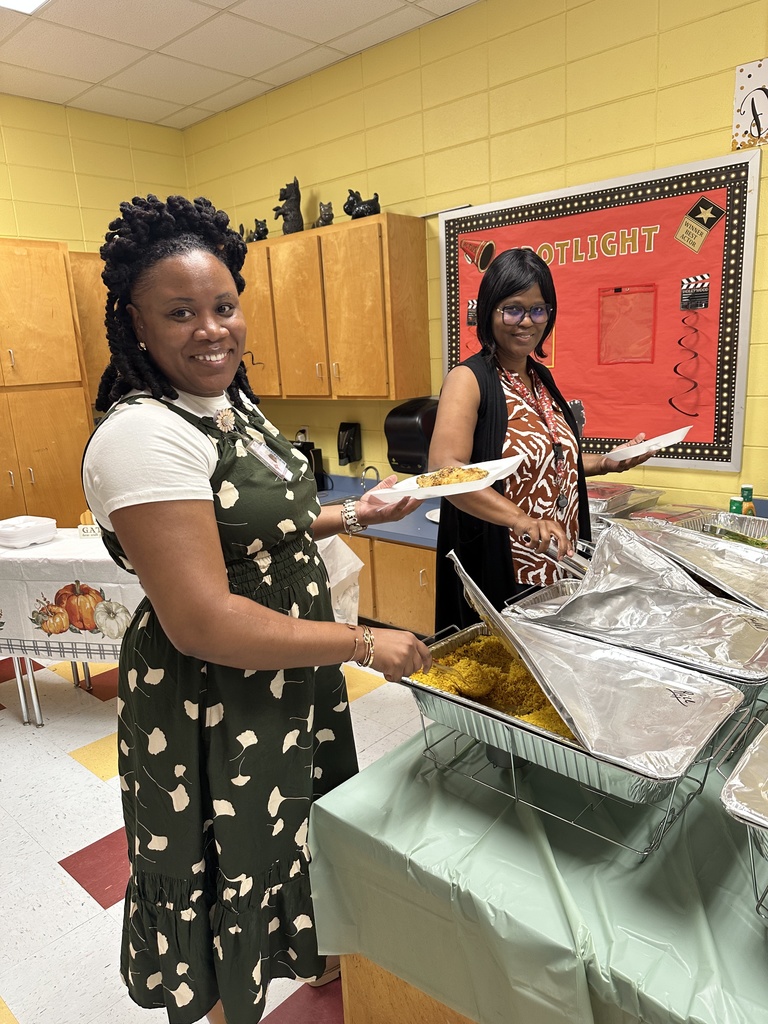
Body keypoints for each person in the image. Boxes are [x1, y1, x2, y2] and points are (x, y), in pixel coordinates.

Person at [81, 194, 431, 1024]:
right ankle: (225, 1002)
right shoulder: (143, 436)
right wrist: (360, 641)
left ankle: (310, 952)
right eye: (180, 313)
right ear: (135, 325)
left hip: (285, 670)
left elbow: (254, 526)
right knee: (228, 852)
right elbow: (205, 620)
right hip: (213, 691)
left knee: (294, 823)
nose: (212, 330)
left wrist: (354, 512)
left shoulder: (228, 403)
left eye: (224, 306)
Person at [429, 247, 654, 632]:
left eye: (538, 310)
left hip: (557, 566)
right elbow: (444, 471)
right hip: (506, 568)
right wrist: (521, 519)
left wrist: (605, 462)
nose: (526, 322)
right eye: (513, 309)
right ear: (489, 311)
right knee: (507, 665)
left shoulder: (539, 378)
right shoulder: (469, 380)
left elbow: (547, 458)